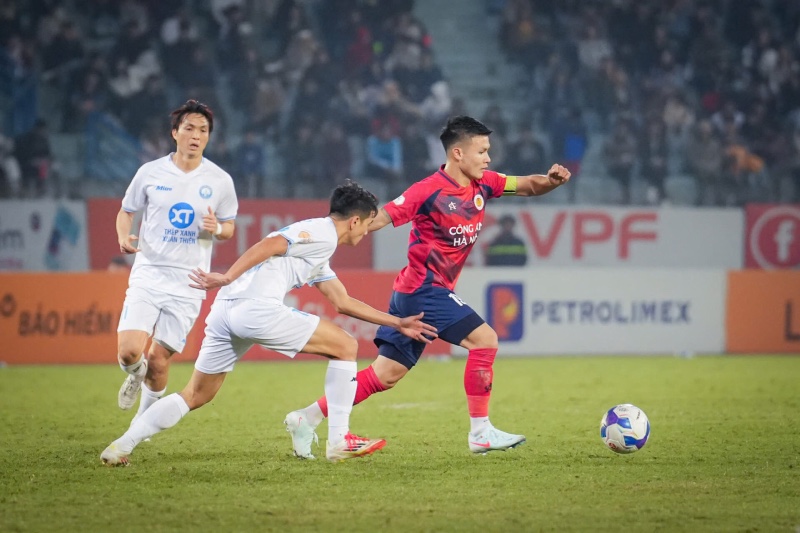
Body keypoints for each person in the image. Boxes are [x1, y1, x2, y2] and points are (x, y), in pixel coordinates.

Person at [283, 115, 570, 458]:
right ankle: (480, 432)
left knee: (385, 375)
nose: (488, 158)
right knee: (485, 340)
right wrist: (326, 235)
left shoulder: (486, 184)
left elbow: (528, 185)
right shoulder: (427, 190)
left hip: (415, 293)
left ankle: (305, 417)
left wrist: (551, 181)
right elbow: (380, 218)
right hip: (424, 290)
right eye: (482, 151)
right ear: (459, 154)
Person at [101, 182, 438, 465]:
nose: (367, 231)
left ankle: (121, 445)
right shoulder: (321, 232)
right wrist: (227, 275)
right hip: (254, 308)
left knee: (196, 394)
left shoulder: (319, 249)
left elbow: (342, 302)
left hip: (225, 312)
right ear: (354, 221)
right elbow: (270, 243)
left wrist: (398, 322)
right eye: (367, 224)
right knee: (346, 346)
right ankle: (338, 440)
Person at [114, 100, 239, 431]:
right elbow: (126, 211)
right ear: (175, 133)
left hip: (189, 283)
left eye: (203, 130)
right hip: (149, 273)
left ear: (208, 138)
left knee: (159, 360)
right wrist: (124, 236)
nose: (196, 136)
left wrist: (218, 229)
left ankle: (139, 427)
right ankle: (134, 373)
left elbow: (230, 227)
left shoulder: (220, 180)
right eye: (189, 129)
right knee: (130, 353)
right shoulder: (150, 172)